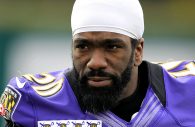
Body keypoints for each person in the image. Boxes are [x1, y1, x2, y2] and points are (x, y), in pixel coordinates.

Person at [1, 0, 195, 126]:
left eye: (111, 47)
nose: (95, 62)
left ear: (138, 51)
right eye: (83, 46)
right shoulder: (33, 101)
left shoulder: (189, 91)